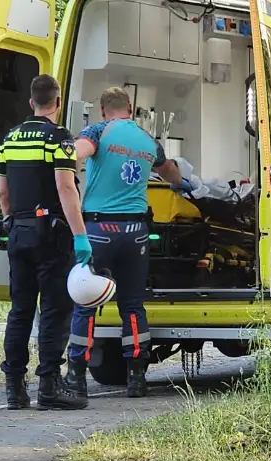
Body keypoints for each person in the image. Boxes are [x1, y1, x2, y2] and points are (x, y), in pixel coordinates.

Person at [66, 87, 187, 398]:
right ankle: (137, 376)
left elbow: (75, 152)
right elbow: (171, 173)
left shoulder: (98, 131)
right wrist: (180, 183)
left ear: (104, 110)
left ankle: (77, 376)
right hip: (136, 231)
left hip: (98, 229)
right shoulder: (148, 141)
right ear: (130, 110)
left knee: (86, 303)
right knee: (132, 306)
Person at [0, 74, 93, 410]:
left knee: (20, 310)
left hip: (19, 231)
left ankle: (14, 387)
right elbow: (66, 189)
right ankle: (50, 386)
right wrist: (80, 236)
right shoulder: (59, 138)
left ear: (31, 103)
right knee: (54, 309)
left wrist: (11, 221)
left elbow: (3, 191)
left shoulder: (10, 139)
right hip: (51, 234)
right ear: (58, 102)